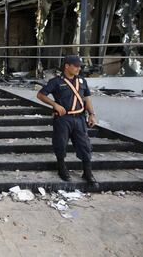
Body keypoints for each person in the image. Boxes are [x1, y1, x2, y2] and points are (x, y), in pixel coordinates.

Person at [37, 55, 99, 189]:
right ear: (67, 66)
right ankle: (61, 168)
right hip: (63, 119)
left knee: (85, 145)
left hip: (80, 118)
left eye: (79, 66)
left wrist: (92, 114)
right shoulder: (56, 81)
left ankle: (87, 172)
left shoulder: (82, 81)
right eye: (76, 66)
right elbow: (40, 95)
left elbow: (87, 98)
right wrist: (55, 105)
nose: (79, 68)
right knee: (61, 143)